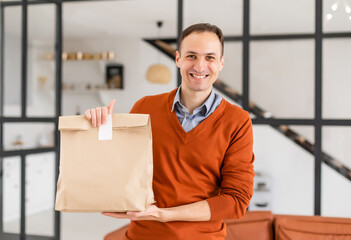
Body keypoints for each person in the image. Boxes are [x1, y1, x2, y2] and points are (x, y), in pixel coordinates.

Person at [85, 23, 255, 240]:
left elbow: (236, 201)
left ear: (221, 63)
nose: (200, 66)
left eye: (210, 57)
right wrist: (99, 132)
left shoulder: (237, 121)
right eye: (191, 56)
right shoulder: (144, 107)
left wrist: (164, 215)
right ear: (178, 59)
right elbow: (122, 173)